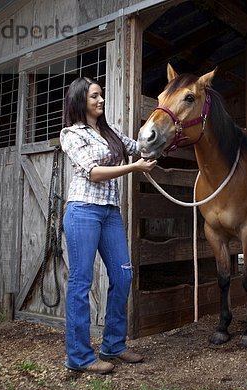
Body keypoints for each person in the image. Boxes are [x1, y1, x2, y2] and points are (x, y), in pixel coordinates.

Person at [60, 77, 157, 374]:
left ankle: (113, 344)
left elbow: (139, 146)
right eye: (94, 97)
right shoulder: (71, 134)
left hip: (109, 213)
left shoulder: (110, 133)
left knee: (123, 275)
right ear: (80, 101)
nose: (101, 100)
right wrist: (134, 167)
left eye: (101, 95)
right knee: (81, 283)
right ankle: (79, 357)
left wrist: (163, 128)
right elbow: (93, 172)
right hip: (83, 211)